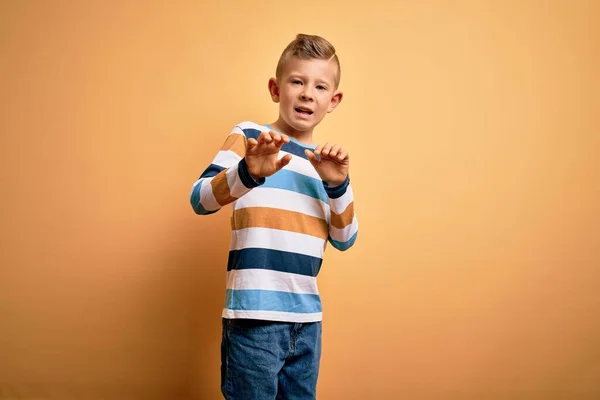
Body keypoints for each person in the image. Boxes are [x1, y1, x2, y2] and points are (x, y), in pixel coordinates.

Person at [190, 33, 358, 400]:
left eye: (320, 86)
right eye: (297, 81)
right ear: (275, 88)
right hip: (253, 314)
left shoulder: (327, 164)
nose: (307, 93)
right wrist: (249, 172)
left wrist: (339, 184)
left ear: (334, 100)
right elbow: (200, 199)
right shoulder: (250, 137)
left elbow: (345, 240)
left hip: (307, 319)